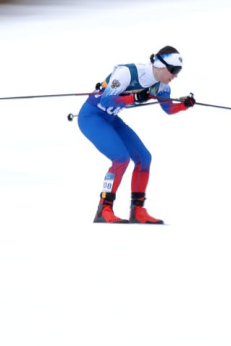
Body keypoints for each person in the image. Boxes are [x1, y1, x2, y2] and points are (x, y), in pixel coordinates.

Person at [77, 45, 195, 224]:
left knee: (144, 158)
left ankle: (137, 210)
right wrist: (135, 97)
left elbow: (168, 108)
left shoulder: (162, 84)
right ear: (160, 66)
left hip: (111, 118)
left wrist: (184, 104)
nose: (175, 75)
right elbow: (106, 99)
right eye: (173, 70)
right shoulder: (127, 73)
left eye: (178, 71)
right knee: (121, 158)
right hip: (92, 117)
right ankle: (104, 209)